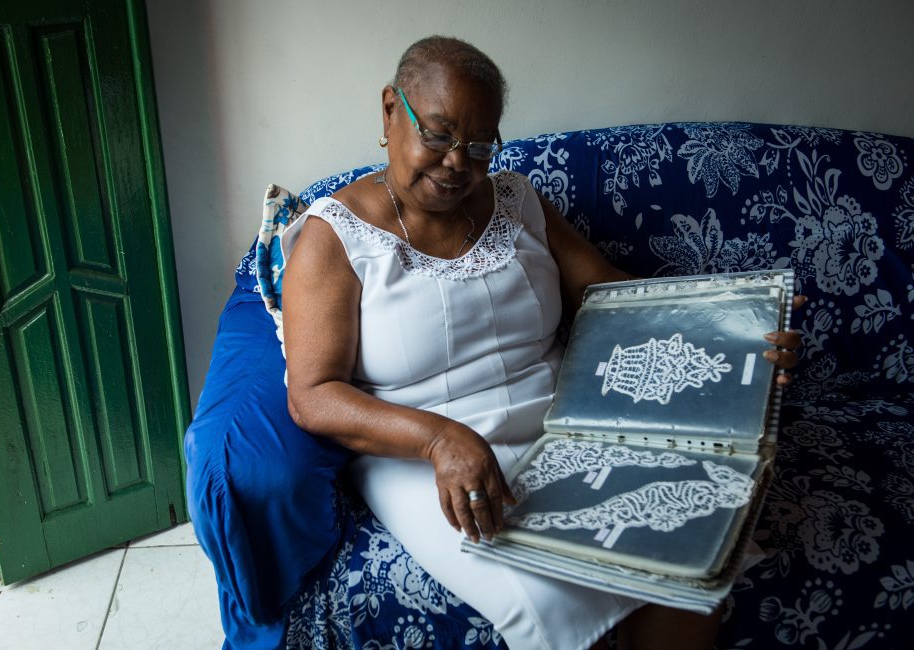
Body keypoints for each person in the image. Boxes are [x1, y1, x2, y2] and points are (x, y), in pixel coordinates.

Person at [279, 36, 803, 650]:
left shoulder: (516, 200)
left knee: (680, 563)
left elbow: (611, 298)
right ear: (392, 109)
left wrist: (738, 333)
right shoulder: (334, 236)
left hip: (569, 426)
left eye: (479, 146)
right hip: (424, 452)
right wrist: (439, 438)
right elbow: (312, 396)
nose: (457, 164)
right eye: (440, 136)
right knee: (549, 599)